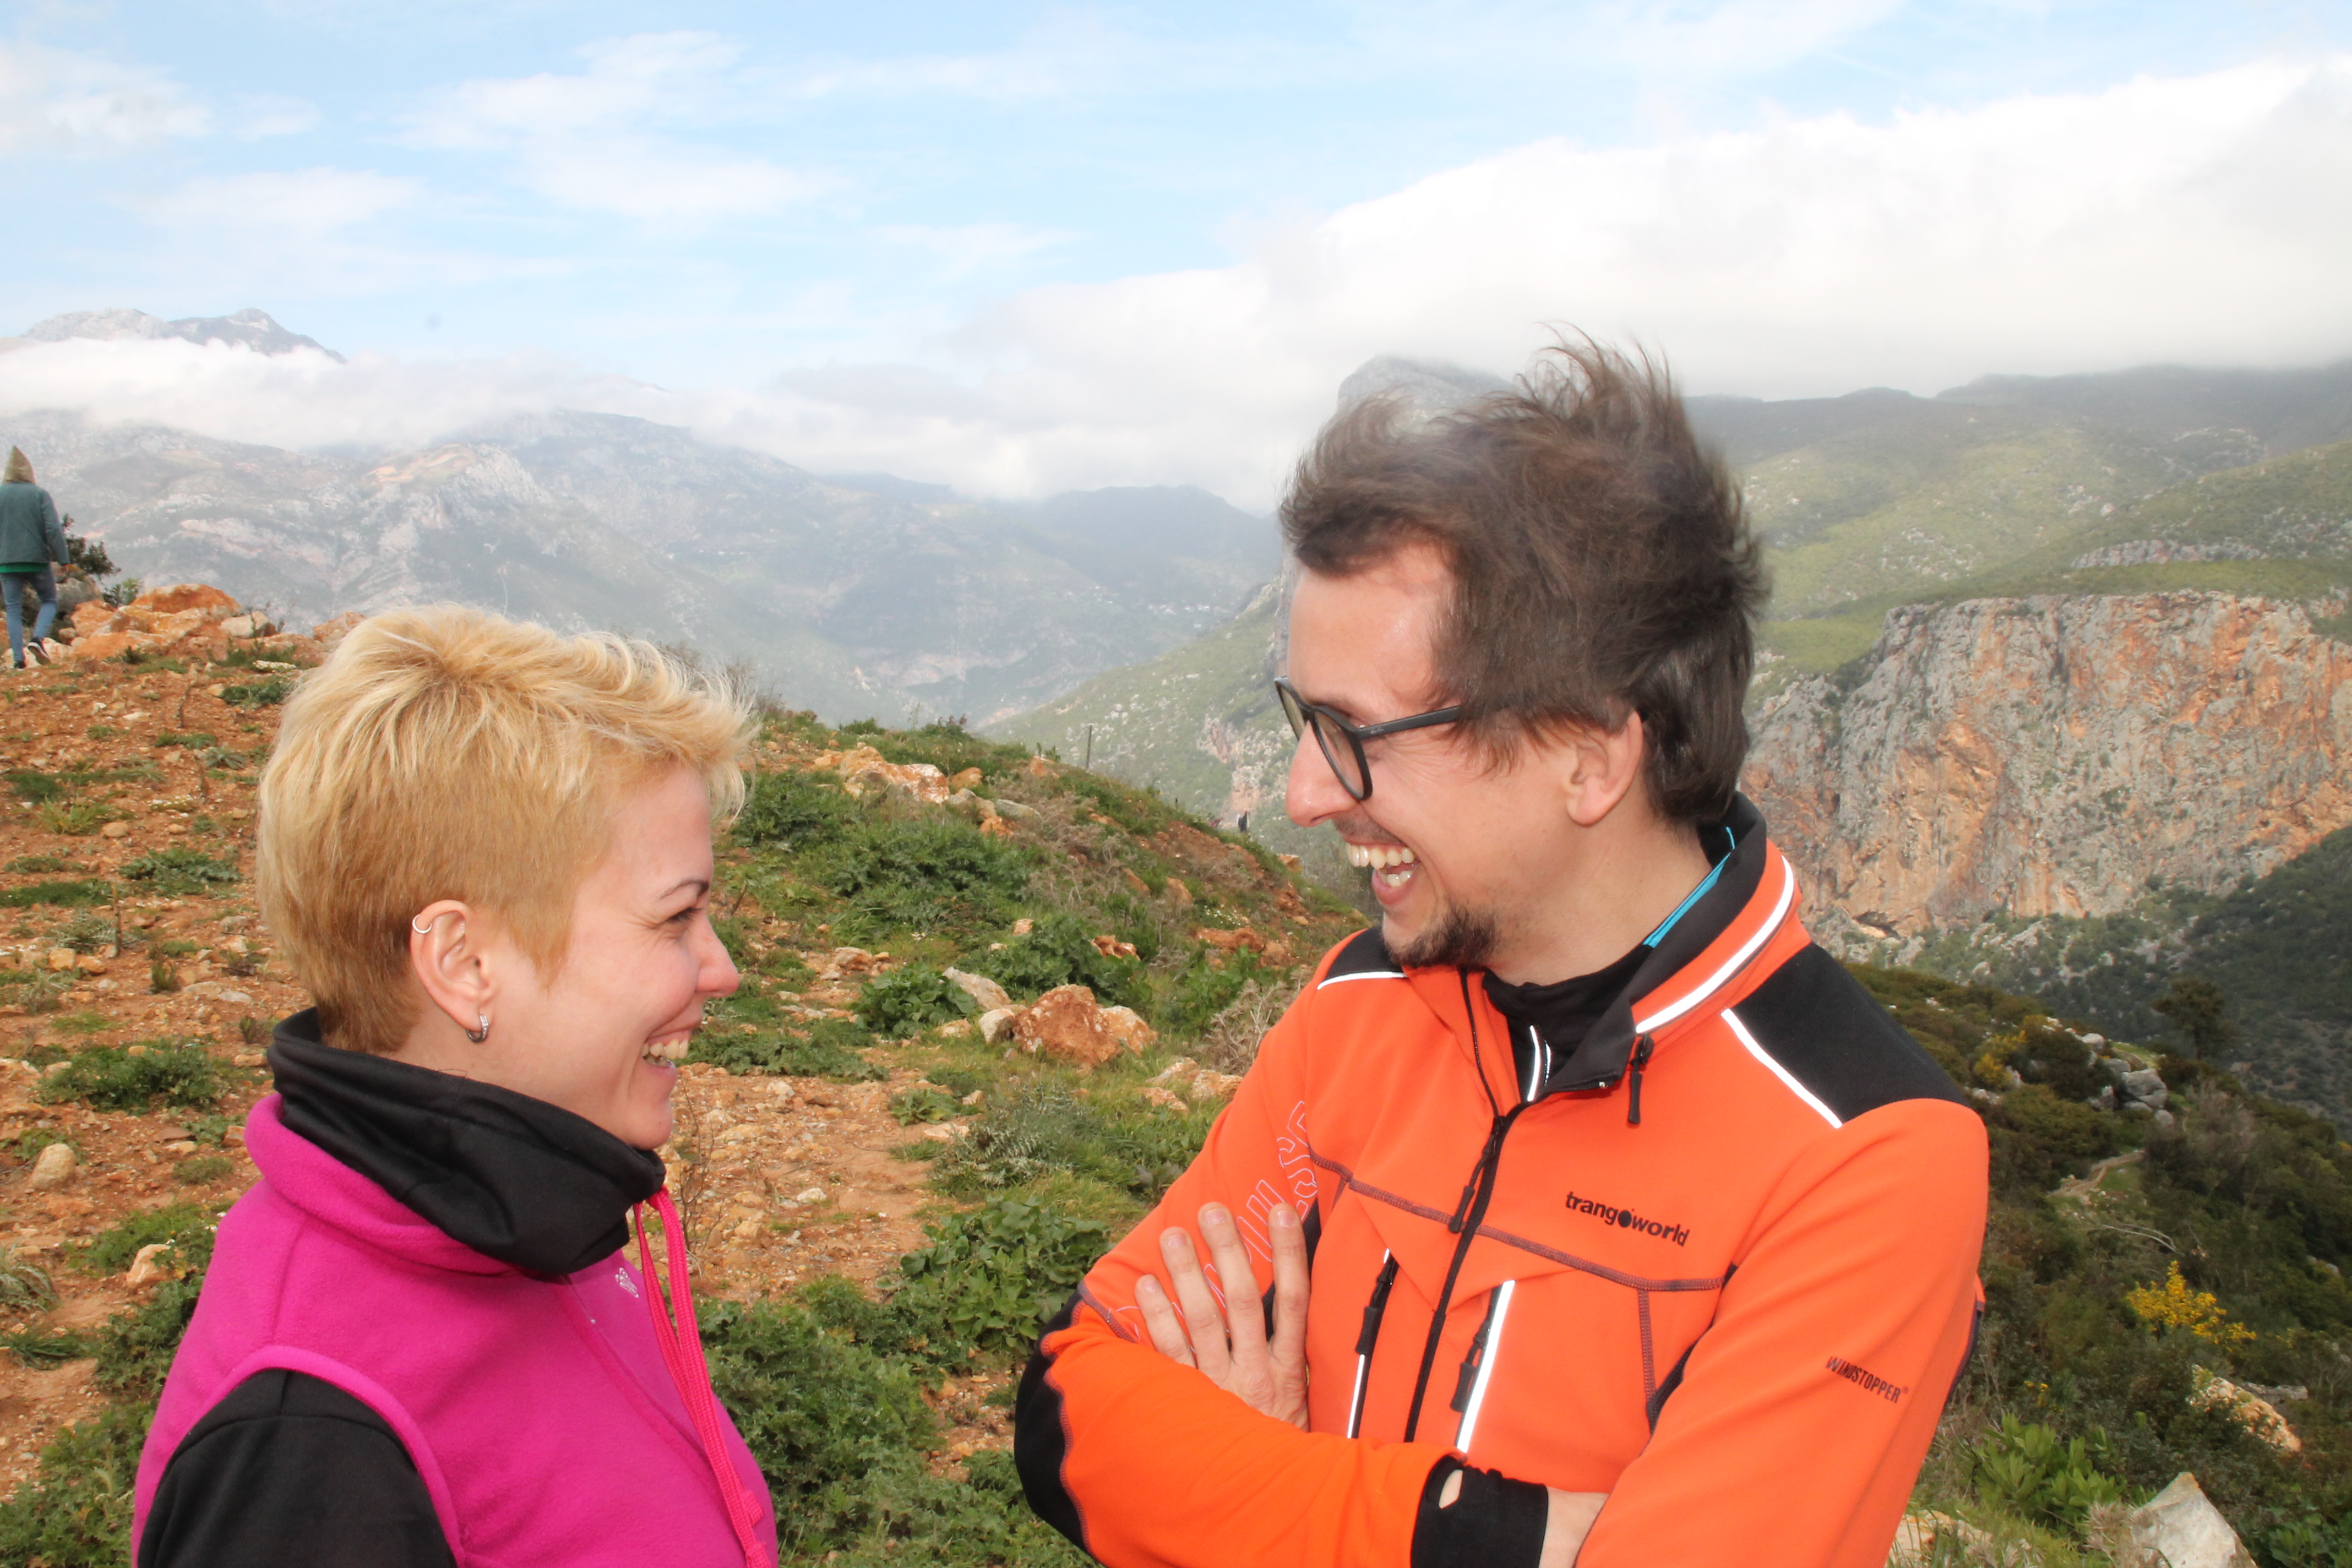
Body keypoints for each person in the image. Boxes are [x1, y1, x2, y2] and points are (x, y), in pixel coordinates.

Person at [1014, 344, 1988, 1568]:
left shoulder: (1867, 1156)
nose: (1306, 792)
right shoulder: (1358, 1007)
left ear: (1588, 755)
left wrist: (1241, 1480)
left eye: (1359, 735)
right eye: (1302, 720)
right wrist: (1469, 1532)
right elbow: (1064, 1408)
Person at [132, 606, 779, 1568]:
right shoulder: (308, 1447)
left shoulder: (532, 1214)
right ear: (465, 960)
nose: (719, 968)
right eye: (675, 916)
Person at [0, 445, 68, 669]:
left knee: (13, 608)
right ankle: (37, 639)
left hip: (7, 562)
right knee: (49, 600)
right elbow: (54, 529)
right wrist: (63, 558)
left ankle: (19, 662)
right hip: (37, 560)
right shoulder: (39, 494)